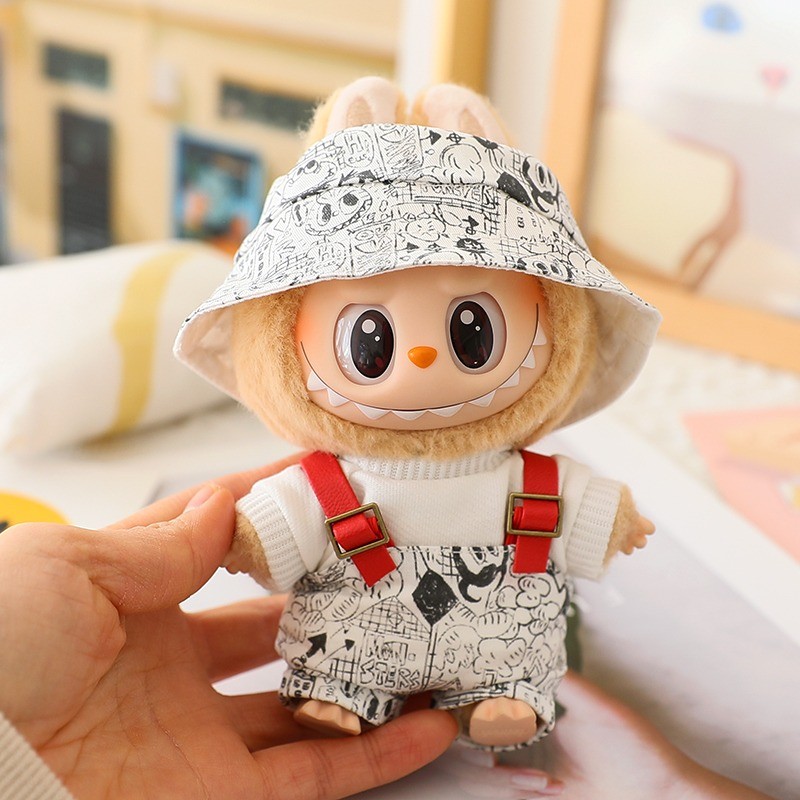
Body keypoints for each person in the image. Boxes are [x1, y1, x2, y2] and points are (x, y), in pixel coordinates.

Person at [0, 459, 779, 800]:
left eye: (470, 332)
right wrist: (245, 537)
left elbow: (581, 504)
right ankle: (344, 695)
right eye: (371, 341)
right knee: (340, 658)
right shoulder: (328, 479)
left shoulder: (531, 474)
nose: (421, 356)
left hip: (493, 638)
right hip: (357, 637)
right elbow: (280, 520)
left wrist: (611, 521)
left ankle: (497, 700)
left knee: (504, 661)